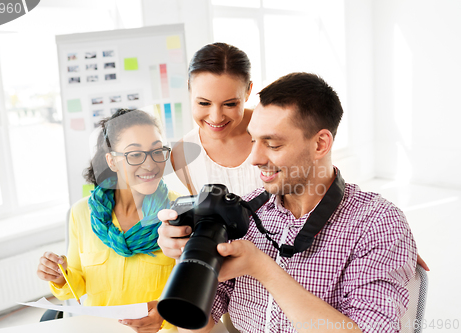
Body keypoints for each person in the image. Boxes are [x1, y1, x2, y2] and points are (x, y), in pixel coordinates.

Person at [158, 73, 419, 333]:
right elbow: (199, 322)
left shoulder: (377, 223)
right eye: (253, 141)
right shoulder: (244, 212)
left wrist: (262, 268)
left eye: (272, 144)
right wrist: (190, 253)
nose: (255, 158)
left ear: (320, 144)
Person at [37, 109, 179, 333]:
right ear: (112, 161)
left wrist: (166, 316)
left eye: (157, 151)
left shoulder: (179, 212)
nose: (150, 165)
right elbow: (79, 286)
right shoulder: (82, 213)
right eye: (134, 155)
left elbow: (193, 292)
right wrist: (60, 276)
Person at [171, 42, 263, 196]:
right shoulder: (183, 154)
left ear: (248, 91)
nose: (216, 118)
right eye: (204, 103)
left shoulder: (276, 130)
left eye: (230, 104)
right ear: (189, 89)